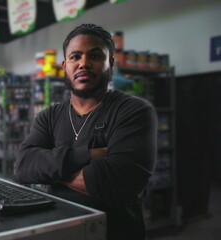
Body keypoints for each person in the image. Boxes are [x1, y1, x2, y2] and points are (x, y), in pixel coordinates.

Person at [14, 23, 157, 240]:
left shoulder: (134, 111)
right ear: (65, 65)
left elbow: (118, 183)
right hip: (59, 230)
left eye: (95, 56)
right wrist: (87, 155)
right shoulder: (49, 116)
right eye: (75, 56)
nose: (84, 63)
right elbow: (23, 166)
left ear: (110, 63)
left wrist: (51, 171)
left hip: (115, 232)